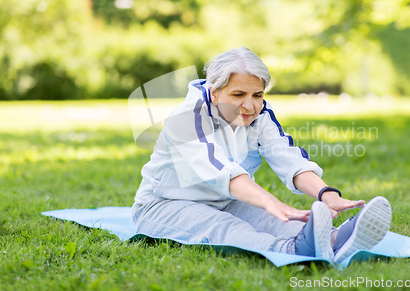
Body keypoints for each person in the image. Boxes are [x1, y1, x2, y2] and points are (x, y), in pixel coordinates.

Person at [132, 47, 392, 264]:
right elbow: (223, 172)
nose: (250, 105)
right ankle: (291, 252)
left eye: (257, 95)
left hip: (226, 199)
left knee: (279, 220)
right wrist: (271, 202)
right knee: (226, 227)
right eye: (238, 95)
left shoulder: (259, 116)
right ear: (214, 93)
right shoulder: (187, 119)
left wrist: (327, 194)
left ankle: (336, 240)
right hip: (164, 205)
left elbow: (288, 159)